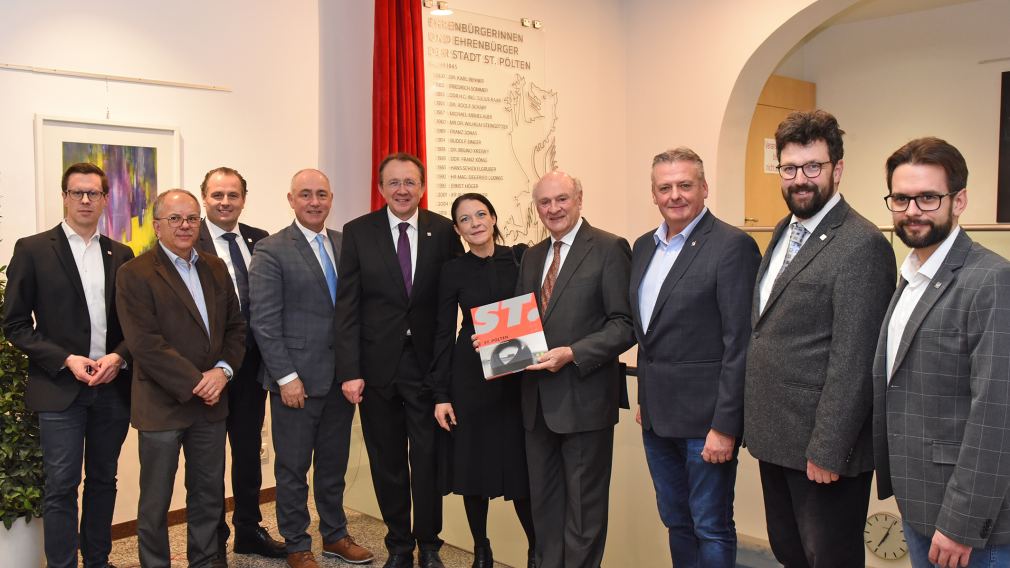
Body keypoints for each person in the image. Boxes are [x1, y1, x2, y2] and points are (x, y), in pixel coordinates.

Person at [744, 110, 896, 567]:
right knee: (790, 553)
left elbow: (854, 361)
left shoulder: (862, 244)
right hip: (777, 438)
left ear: (838, 169)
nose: (800, 179)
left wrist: (828, 450)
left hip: (823, 451)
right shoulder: (783, 230)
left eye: (813, 167)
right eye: (789, 169)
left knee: (829, 559)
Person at [873, 137, 1010, 568]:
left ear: (960, 200)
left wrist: (961, 523)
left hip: (969, 528)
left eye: (929, 197)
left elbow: (997, 412)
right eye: (901, 198)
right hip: (921, 502)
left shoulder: (990, 280)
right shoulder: (912, 274)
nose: (913, 210)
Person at [630, 148, 760, 567]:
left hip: (706, 425)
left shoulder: (731, 246)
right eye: (664, 187)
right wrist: (646, 399)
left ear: (704, 188)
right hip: (657, 418)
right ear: (653, 194)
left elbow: (739, 343)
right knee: (676, 521)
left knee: (710, 525)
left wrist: (725, 426)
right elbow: (651, 335)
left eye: (685, 185)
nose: (675, 195)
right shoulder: (643, 248)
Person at [2, 162, 133, 568]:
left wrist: (119, 357)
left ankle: (98, 560)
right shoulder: (34, 249)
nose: (85, 200)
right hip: (59, 388)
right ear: (64, 196)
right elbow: (16, 325)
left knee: (103, 482)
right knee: (60, 487)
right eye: (77, 192)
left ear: (105, 200)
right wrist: (66, 359)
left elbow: (137, 325)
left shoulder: (122, 253)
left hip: (111, 389)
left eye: (93, 193)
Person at [335, 152, 463, 568]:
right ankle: (400, 547)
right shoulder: (358, 232)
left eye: (410, 182)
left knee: (427, 460)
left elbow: (452, 300)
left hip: (427, 368)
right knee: (387, 462)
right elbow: (348, 307)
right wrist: (350, 371)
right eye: (394, 183)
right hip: (376, 370)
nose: (402, 190)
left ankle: (429, 546)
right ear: (381, 188)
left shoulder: (443, 231)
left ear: (423, 187)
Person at [248, 169, 373, 568]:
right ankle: (297, 543)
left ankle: (335, 535)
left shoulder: (344, 244)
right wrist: (286, 377)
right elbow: (264, 321)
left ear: (331, 198)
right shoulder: (271, 250)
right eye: (306, 194)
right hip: (295, 382)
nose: (314, 201)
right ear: (291, 199)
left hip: (341, 379)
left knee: (333, 466)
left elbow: (355, 312)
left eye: (321, 194)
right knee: (292, 469)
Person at [116, 189, 246, 568]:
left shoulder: (215, 267)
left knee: (208, 495)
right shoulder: (134, 273)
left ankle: (206, 561)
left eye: (191, 218)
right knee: (155, 500)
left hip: (211, 404)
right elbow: (145, 343)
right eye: (175, 218)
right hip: (161, 405)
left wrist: (222, 373)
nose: (185, 225)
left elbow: (236, 329)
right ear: (157, 225)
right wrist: (197, 382)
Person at [517, 170, 635, 567]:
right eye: (545, 203)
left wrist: (573, 352)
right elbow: (524, 323)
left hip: (584, 400)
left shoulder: (608, 248)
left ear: (579, 199)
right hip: (536, 406)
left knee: (584, 513)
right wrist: (497, 344)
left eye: (561, 199)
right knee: (544, 507)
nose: (553, 209)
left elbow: (624, 324)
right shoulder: (533, 255)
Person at [427, 193, 535, 568]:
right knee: (473, 467)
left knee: (522, 469)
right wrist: (440, 394)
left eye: (481, 214)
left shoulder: (522, 258)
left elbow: (538, 314)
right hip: (470, 377)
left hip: (518, 374)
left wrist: (503, 338)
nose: (475, 223)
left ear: (493, 218)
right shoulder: (453, 270)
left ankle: (535, 550)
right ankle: (482, 549)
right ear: (457, 229)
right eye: (465, 219)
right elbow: (443, 332)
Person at [194, 166, 284, 561]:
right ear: (204, 198)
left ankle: (249, 529)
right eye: (217, 195)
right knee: (207, 459)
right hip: (206, 371)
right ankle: (212, 539)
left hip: (251, 368)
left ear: (243, 199)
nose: (225, 202)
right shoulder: (186, 238)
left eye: (232, 195)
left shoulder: (259, 239)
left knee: (248, 453)